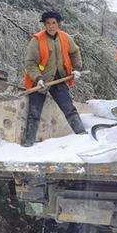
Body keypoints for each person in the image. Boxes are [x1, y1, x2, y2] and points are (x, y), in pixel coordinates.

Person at [22, 11, 86, 147]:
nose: (51, 26)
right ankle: (28, 143)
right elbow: (30, 63)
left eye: (53, 23)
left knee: (69, 109)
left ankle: (82, 135)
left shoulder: (65, 38)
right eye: (48, 23)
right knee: (34, 113)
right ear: (44, 25)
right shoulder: (37, 40)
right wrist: (38, 78)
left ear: (59, 24)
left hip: (59, 80)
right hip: (40, 82)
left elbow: (75, 52)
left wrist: (77, 68)